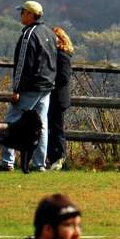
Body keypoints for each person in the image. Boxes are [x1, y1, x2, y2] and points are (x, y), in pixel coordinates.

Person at [0, 0, 57, 172]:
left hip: (30, 87)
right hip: (46, 86)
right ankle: (39, 164)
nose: (21, 15)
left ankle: (7, 161)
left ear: (31, 15)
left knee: (11, 121)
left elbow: (23, 64)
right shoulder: (49, 33)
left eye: (23, 12)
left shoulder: (29, 34)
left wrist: (16, 89)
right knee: (41, 125)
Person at [47, 26, 74, 171]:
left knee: (57, 129)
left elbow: (63, 77)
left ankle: (60, 159)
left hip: (58, 98)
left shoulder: (62, 55)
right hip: (57, 97)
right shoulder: (60, 54)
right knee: (53, 128)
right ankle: (55, 158)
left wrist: (50, 81)